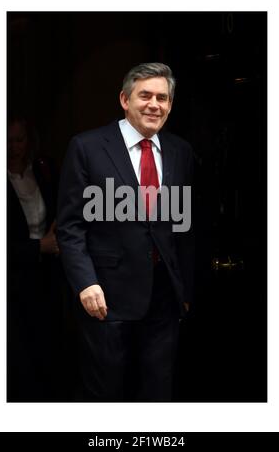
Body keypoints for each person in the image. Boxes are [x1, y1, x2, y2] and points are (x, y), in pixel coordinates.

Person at [57, 62, 195, 401]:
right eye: (144, 95)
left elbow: (187, 227)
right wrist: (86, 283)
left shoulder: (181, 151)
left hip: (164, 300)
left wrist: (187, 288)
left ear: (170, 105)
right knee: (107, 395)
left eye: (162, 98)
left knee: (158, 394)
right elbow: (70, 226)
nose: (154, 104)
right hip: (107, 299)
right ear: (124, 99)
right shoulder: (87, 147)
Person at [7, 116, 63, 401]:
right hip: (10, 283)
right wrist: (38, 247)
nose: (14, 147)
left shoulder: (42, 170)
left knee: (49, 351)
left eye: (19, 140)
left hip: (46, 277)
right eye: (8, 140)